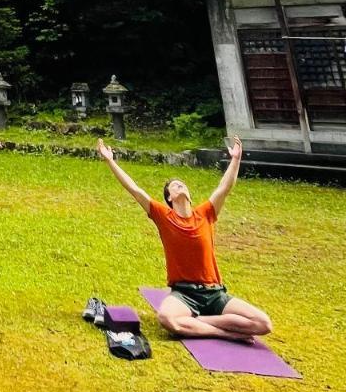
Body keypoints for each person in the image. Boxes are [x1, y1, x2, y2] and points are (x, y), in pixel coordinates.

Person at [97, 135, 273, 342]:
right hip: (184, 294)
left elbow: (224, 187)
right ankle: (225, 332)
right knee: (167, 319)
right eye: (175, 186)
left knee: (263, 324)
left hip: (214, 293)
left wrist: (235, 159)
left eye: (183, 185)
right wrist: (110, 160)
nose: (181, 186)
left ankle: (200, 321)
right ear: (169, 198)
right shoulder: (164, 216)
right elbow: (135, 190)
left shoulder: (205, 213)